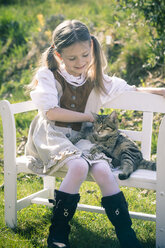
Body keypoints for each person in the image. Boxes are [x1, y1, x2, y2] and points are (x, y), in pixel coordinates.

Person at [25, 19, 165, 248]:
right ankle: (58, 235)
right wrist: (88, 117)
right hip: (53, 136)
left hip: (82, 140)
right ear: (59, 55)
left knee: (101, 169)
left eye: (85, 55)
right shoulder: (49, 75)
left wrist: (159, 91)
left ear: (91, 46)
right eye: (72, 58)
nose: (80, 63)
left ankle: (126, 234)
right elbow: (50, 112)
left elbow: (130, 90)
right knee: (79, 167)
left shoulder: (94, 79)